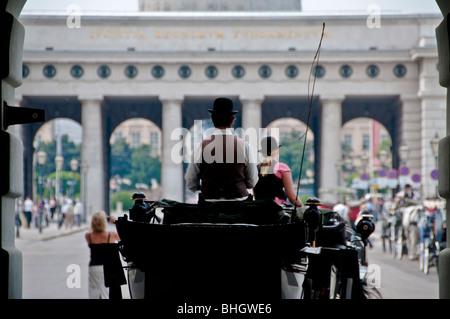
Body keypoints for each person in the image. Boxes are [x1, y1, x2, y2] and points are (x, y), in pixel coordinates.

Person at [185, 97, 258, 202]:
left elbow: (191, 182)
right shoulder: (244, 146)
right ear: (233, 120)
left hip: (209, 203)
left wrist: (207, 188)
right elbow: (252, 181)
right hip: (238, 204)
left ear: (212, 119)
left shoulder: (201, 146)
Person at [253, 136, 303, 207]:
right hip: (277, 210)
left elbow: (256, 195)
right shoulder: (282, 168)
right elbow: (292, 197)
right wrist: (302, 206)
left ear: (263, 153)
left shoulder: (255, 169)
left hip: (259, 210)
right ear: (277, 151)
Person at [85, 210, 120, 299]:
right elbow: (124, 237)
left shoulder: (88, 236)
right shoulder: (111, 235)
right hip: (106, 267)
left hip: (93, 266)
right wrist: (116, 223)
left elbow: (92, 230)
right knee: (106, 292)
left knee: (94, 291)